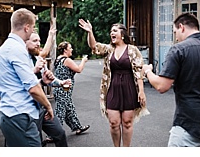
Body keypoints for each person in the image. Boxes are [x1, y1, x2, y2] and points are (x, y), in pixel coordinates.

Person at [141, 13, 200, 147]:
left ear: (181, 27)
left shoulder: (179, 49)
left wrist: (147, 71)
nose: (176, 37)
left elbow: (161, 86)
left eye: (175, 32)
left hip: (188, 126)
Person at [79, 19, 149, 147]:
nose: (112, 33)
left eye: (115, 31)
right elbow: (94, 47)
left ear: (122, 35)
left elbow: (139, 71)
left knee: (127, 122)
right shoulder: (109, 49)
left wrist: (141, 91)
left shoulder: (132, 50)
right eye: (111, 31)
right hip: (112, 88)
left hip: (129, 88)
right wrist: (90, 32)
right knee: (114, 122)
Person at [0, 9, 54, 147]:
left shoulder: (7, 47)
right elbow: (32, 88)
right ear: (26, 27)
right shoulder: (16, 49)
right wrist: (48, 105)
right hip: (19, 116)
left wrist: (42, 81)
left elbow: (17, 84)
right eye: (32, 28)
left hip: (12, 114)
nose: (32, 31)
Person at [27, 33, 69, 147]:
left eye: (39, 41)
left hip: (41, 106)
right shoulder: (21, 61)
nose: (38, 44)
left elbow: (48, 79)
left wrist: (61, 82)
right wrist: (34, 70)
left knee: (60, 134)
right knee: (36, 142)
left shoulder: (38, 59)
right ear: (25, 41)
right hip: (27, 109)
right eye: (35, 41)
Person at [54, 41, 90, 135]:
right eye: (70, 48)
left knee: (70, 109)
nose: (72, 49)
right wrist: (83, 60)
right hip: (64, 89)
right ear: (65, 50)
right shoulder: (66, 60)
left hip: (61, 89)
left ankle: (77, 127)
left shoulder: (58, 59)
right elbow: (78, 69)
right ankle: (53, 133)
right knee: (60, 112)